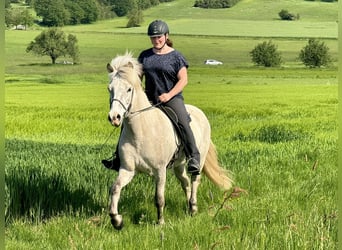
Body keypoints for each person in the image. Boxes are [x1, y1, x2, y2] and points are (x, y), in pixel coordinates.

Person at [102, 20, 200, 175]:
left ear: (166, 36)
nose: (156, 40)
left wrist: (169, 95)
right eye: (153, 37)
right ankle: (118, 158)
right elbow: (136, 79)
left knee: (183, 122)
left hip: (171, 99)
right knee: (128, 122)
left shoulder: (176, 56)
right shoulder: (145, 56)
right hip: (149, 99)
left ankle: (193, 157)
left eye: (159, 37)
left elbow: (183, 80)